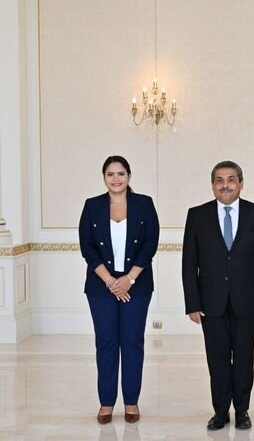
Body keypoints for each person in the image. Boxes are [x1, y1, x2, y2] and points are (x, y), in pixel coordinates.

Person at [182, 161, 254, 431]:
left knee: (244, 358)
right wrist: (192, 303)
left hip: (248, 301)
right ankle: (220, 411)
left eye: (231, 179)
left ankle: (242, 410)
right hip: (210, 302)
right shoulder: (197, 215)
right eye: (219, 180)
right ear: (212, 185)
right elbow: (189, 263)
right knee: (217, 359)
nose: (225, 185)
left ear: (241, 184)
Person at [79, 155, 160, 424]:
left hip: (136, 285)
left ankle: (131, 402)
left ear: (129, 176)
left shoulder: (144, 204)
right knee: (106, 342)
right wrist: (111, 282)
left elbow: (150, 244)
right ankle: (106, 403)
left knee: (132, 341)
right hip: (100, 286)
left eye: (121, 173)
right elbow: (87, 248)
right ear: (104, 177)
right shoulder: (92, 206)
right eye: (110, 174)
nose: (116, 179)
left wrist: (129, 279)